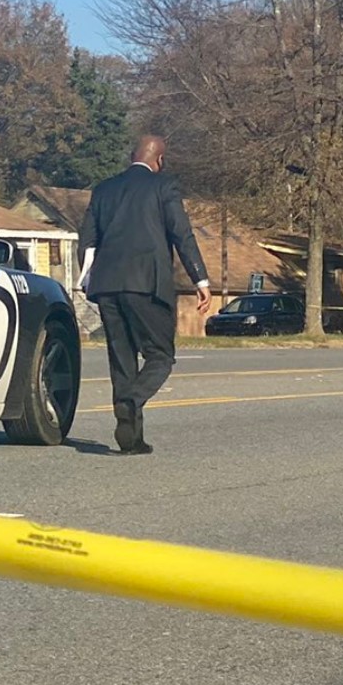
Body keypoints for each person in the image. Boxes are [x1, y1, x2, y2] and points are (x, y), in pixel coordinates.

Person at [78, 136, 212, 455]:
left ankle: (131, 438)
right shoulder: (163, 186)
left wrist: (86, 280)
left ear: (132, 156)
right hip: (146, 283)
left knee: (122, 358)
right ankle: (131, 401)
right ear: (159, 160)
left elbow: (87, 240)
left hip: (107, 285)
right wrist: (200, 279)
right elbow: (182, 233)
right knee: (160, 355)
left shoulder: (104, 189)